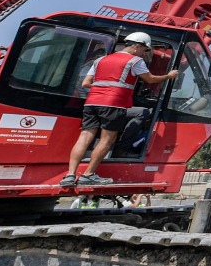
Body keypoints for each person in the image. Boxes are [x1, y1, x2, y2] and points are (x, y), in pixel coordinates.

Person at [61, 32, 178, 189]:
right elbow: (150, 79)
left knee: (84, 137)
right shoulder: (135, 61)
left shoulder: (100, 59)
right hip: (114, 104)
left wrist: (103, 87)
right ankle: (88, 175)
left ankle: (70, 175)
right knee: (107, 139)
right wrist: (168, 76)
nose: (145, 53)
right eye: (145, 50)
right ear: (137, 46)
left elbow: (86, 83)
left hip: (92, 103)